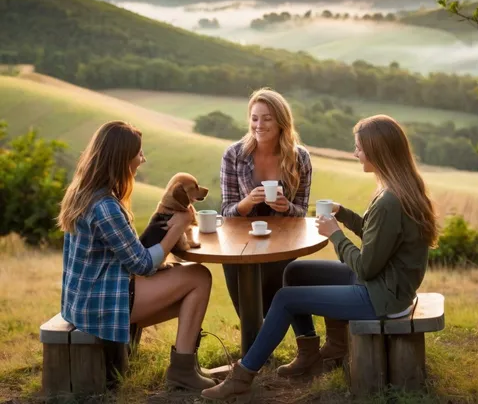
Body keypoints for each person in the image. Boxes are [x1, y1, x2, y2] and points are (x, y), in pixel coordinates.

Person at [202, 114, 439, 401]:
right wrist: (347, 215)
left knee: (285, 299)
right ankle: (317, 351)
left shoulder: (390, 199)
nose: (355, 153)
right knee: (296, 273)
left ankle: (242, 376)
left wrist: (335, 234)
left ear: (378, 151)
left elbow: (366, 268)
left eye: (359, 148)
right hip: (390, 285)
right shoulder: (397, 189)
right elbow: (380, 240)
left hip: (383, 298)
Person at [58, 120, 216, 391]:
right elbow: (141, 263)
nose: (142, 159)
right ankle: (182, 371)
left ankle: (186, 367)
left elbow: (126, 254)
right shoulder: (105, 206)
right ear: (122, 159)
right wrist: (177, 228)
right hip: (99, 304)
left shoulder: (83, 192)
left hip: (82, 298)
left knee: (189, 293)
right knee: (199, 277)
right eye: (139, 154)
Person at [220, 88, 312, 317]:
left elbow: (301, 211)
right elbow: (226, 211)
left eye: (267, 118)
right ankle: (254, 347)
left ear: (281, 122)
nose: (259, 125)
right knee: (247, 304)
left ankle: (288, 346)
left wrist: (287, 207)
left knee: (277, 302)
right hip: (241, 241)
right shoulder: (234, 155)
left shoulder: (300, 158)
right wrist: (246, 203)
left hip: (282, 241)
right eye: (254, 118)